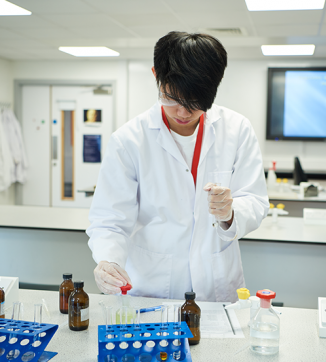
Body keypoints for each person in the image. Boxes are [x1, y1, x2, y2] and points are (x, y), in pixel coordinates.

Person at [87, 31, 269, 302]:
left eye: (194, 103)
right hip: (152, 288)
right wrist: (108, 261)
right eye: (171, 98)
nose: (183, 112)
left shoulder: (237, 130)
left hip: (215, 286)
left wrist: (230, 212)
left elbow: (255, 200)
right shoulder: (129, 140)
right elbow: (109, 220)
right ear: (155, 75)